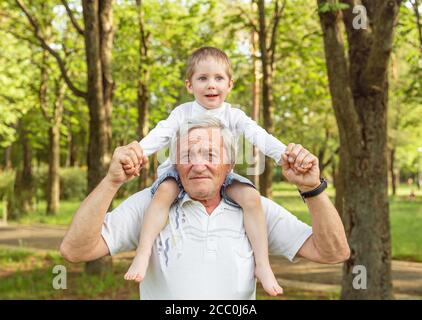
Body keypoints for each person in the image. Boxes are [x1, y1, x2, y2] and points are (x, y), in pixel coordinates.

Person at [60, 116, 350, 300]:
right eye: (187, 155)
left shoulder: (254, 208)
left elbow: (333, 251)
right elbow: (75, 250)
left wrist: (312, 189)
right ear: (174, 165)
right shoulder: (150, 205)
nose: (198, 164)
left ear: (229, 165)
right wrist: (112, 182)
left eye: (210, 154)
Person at [123, 47, 311, 296]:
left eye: (218, 78)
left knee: (251, 198)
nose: (211, 85)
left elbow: (258, 136)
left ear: (230, 84)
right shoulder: (183, 113)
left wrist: (282, 155)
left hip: (221, 175)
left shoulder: (234, 115)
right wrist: (139, 151)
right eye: (203, 78)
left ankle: (263, 265)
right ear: (189, 85)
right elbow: (162, 133)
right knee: (163, 194)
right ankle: (143, 252)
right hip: (180, 173)